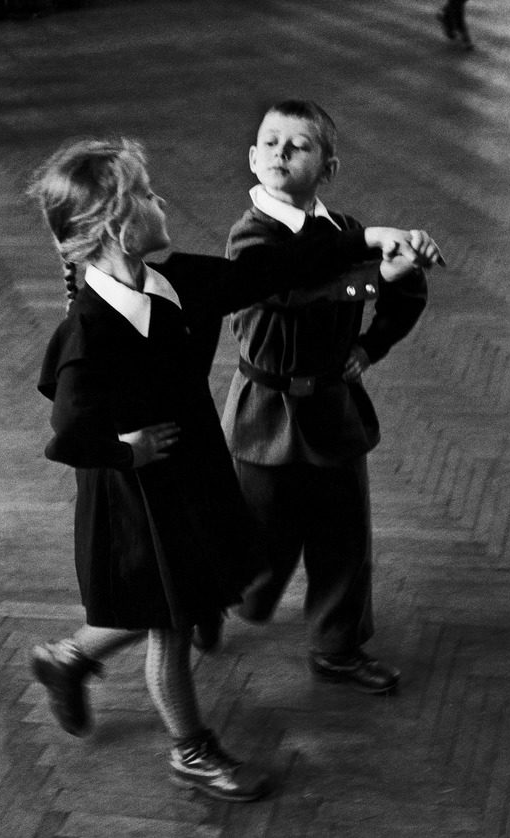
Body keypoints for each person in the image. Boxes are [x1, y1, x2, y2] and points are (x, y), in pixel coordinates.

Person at [28, 136, 442, 802]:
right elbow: (69, 433)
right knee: (173, 621)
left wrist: (370, 237)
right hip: (136, 493)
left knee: (178, 595)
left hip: (187, 468)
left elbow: (274, 271)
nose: (160, 201)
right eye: (146, 195)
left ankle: (66, 658)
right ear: (115, 228)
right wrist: (127, 449)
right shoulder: (89, 330)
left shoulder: (178, 280)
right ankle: (192, 750)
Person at [221, 100, 443, 697]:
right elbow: (291, 287)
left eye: (299, 144)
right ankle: (211, 605)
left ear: (328, 167)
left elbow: (407, 287)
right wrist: (375, 273)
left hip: (333, 408)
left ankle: (338, 646)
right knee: (256, 539)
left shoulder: (344, 232)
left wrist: (370, 347)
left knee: (345, 537)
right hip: (264, 412)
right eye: (269, 141)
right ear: (252, 157)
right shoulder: (250, 235)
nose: (281, 152)